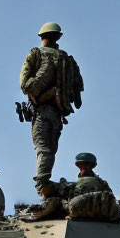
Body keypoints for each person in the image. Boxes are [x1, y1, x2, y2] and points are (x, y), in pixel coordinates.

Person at [19, 21, 84, 201]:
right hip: (58, 114)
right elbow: (78, 92)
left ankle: (42, 183)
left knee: (43, 148)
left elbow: (24, 85)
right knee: (51, 149)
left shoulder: (36, 54)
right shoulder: (67, 60)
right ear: (58, 37)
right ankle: (44, 182)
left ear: (42, 37)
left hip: (42, 111)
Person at [63, 153, 120, 222]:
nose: (83, 168)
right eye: (82, 166)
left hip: (79, 211)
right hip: (100, 215)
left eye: (85, 165)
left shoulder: (73, 185)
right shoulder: (102, 183)